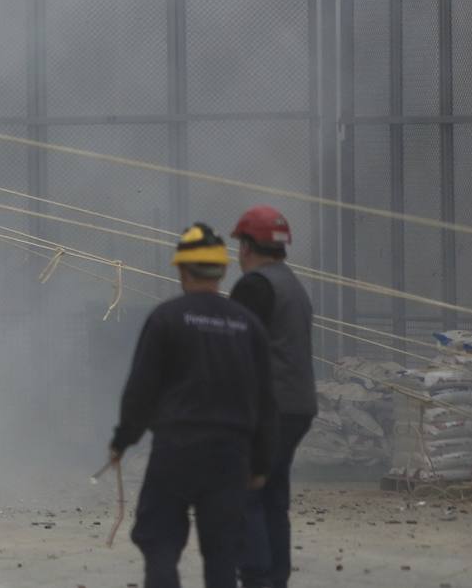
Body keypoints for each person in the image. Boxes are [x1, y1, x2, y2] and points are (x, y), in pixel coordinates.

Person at [109, 223, 276, 588]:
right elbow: (265, 400)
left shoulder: (167, 318)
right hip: (230, 455)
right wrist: (260, 463)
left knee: (160, 541)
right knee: (222, 551)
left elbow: (141, 388)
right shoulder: (248, 325)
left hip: (176, 451)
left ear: (182, 270)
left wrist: (123, 439)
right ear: (222, 270)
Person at [230, 206, 317, 588]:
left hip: (268, 410)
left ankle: (257, 578)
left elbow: (234, 347)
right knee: (272, 496)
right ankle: (275, 578)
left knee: (246, 493)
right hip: (297, 407)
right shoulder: (292, 284)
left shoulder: (255, 286)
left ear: (247, 245)